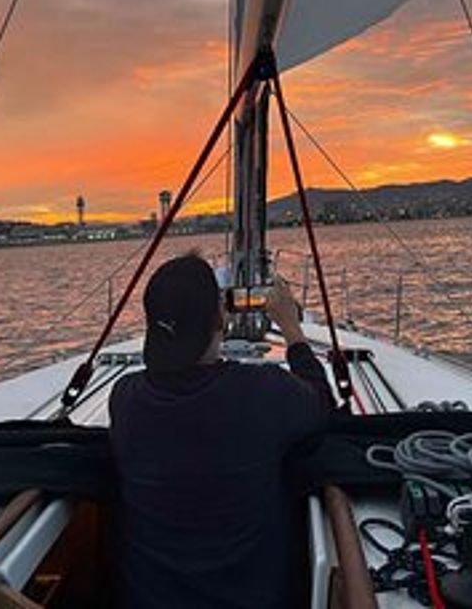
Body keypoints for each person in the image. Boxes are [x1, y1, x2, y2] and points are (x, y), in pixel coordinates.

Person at [108, 253, 334, 608]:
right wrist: (291, 328)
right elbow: (322, 403)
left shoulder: (125, 398)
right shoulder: (263, 392)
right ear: (220, 318)